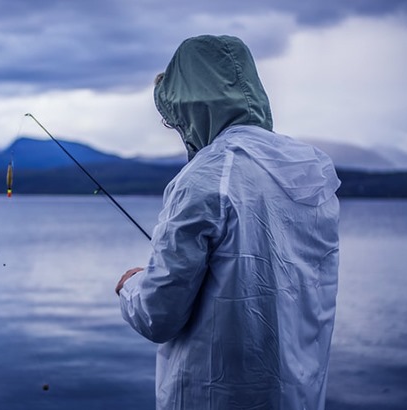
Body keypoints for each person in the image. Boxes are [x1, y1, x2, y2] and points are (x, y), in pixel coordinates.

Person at [115, 35, 341, 410]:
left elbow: (158, 315)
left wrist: (131, 285)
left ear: (193, 109)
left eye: (175, 120)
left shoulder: (205, 178)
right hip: (298, 397)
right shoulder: (312, 172)